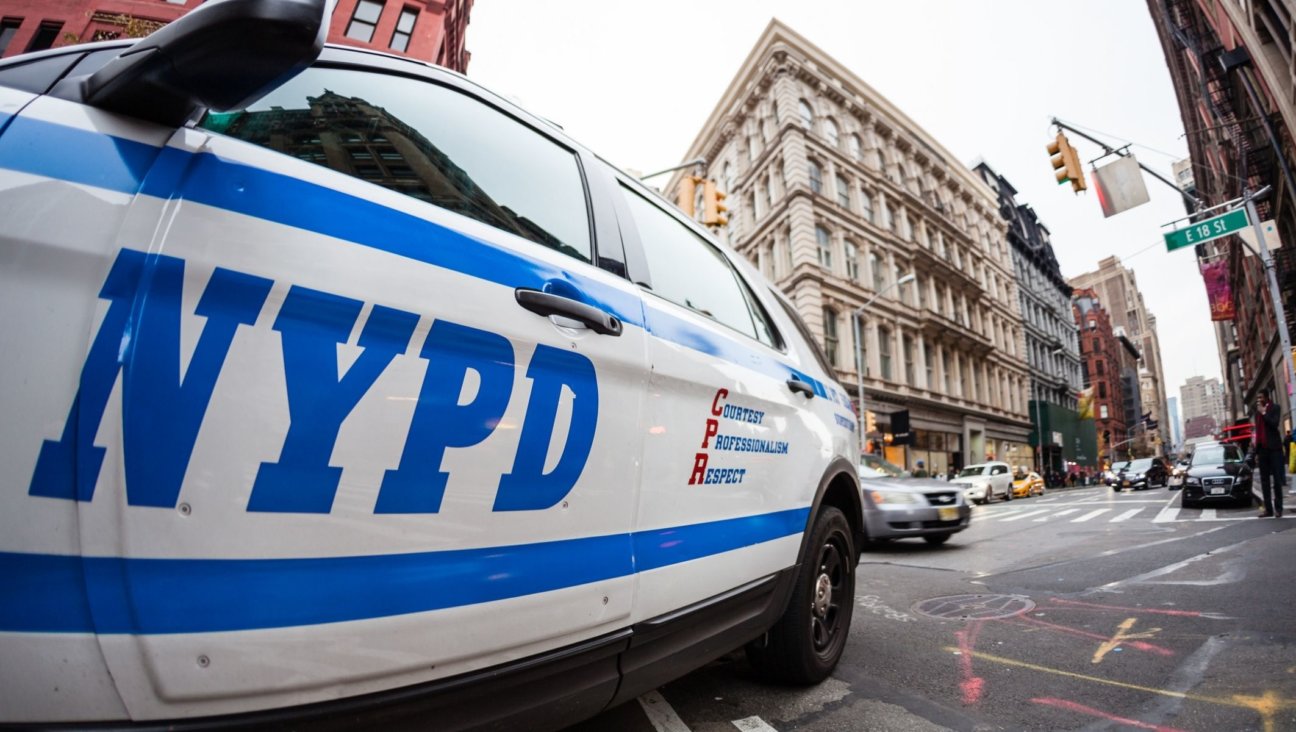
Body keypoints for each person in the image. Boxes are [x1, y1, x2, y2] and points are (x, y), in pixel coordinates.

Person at [1253, 392, 1285, 518]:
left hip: (1275, 449)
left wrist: (1264, 413)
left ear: (1267, 397)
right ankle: (1268, 509)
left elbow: (1274, 424)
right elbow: (1258, 432)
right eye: (1257, 398)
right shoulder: (1257, 413)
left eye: (1260, 397)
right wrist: (1256, 452)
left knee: (1277, 480)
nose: (1258, 400)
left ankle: (1279, 508)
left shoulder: (1275, 408)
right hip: (1262, 451)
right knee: (1264, 481)